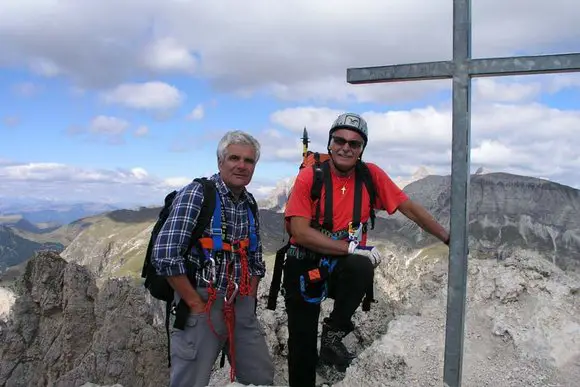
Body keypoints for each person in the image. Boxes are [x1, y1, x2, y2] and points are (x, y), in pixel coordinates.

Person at [282, 113, 450, 387]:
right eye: (340, 140)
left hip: (341, 267)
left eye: (354, 143)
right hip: (305, 264)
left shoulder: (370, 175)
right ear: (330, 143)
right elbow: (299, 231)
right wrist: (349, 247)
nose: (346, 147)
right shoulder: (309, 178)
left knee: (362, 266)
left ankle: (334, 332)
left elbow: (408, 208)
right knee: (301, 339)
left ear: (362, 149)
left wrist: (446, 237)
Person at [152, 130, 275, 387]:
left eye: (249, 161)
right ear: (220, 162)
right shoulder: (197, 194)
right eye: (234, 158)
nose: (241, 165)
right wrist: (194, 303)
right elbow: (164, 254)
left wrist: (249, 299)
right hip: (201, 302)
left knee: (260, 377)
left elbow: (255, 258)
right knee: (189, 382)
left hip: (239, 303)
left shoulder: (249, 203)